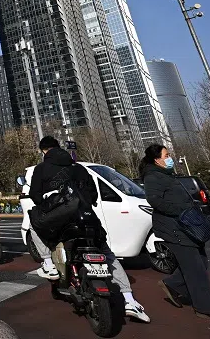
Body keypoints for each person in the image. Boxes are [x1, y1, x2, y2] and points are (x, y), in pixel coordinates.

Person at [29, 136, 150, 323]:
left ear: (43, 151)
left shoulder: (41, 169)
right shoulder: (79, 168)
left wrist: (49, 203)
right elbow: (93, 195)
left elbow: (35, 195)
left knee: (33, 222)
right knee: (107, 255)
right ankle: (129, 300)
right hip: (87, 219)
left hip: (59, 221)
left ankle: (48, 264)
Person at [141, 143, 210, 323]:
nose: (169, 158)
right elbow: (155, 201)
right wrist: (182, 210)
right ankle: (205, 308)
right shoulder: (153, 177)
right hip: (173, 227)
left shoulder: (167, 175)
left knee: (201, 262)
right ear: (157, 160)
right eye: (166, 155)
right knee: (196, 270)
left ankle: (172, 284)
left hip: (185, 225)